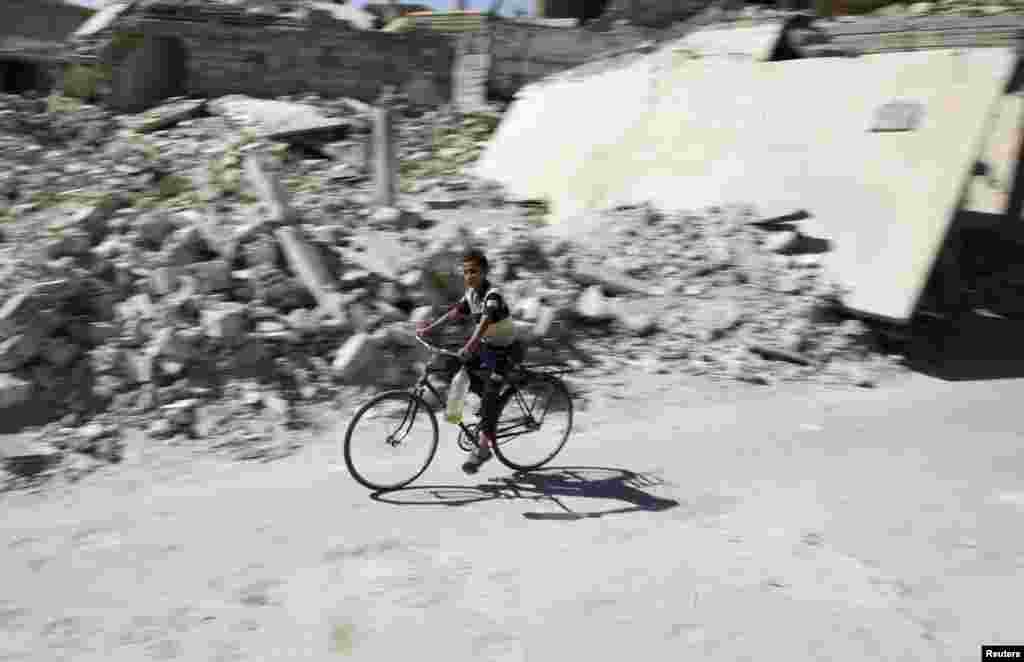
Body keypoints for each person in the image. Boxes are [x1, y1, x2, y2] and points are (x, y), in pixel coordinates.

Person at [416, 248, 524, 474]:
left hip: (506, 352)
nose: (469, 276)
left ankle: (484, 448)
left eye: (473, 271)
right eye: (465, 272)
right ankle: (485, 410)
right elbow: (454, 313)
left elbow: (484, 322)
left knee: (490, 394)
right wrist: (429, 329)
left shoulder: (492, 296)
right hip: (488, 348)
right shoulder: (471, 295)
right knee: (454, 365)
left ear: (484, 272)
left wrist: (471, 345)